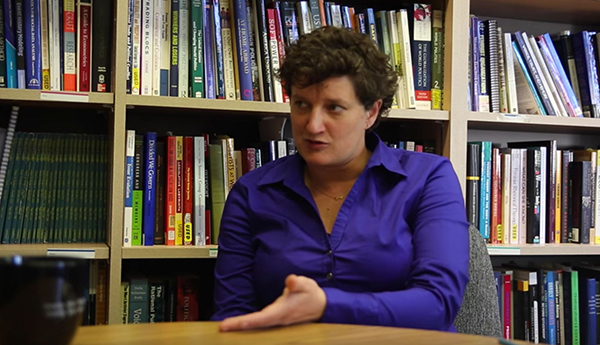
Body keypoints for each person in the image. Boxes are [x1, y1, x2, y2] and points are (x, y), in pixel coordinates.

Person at [210, 25, 469, 333]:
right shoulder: (252, 192)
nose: (313, 124)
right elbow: (234, 316)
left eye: (334, 108)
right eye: (302, 104)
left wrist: (325, 306)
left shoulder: (428, 178)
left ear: (371, 112)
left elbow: (438, 303)